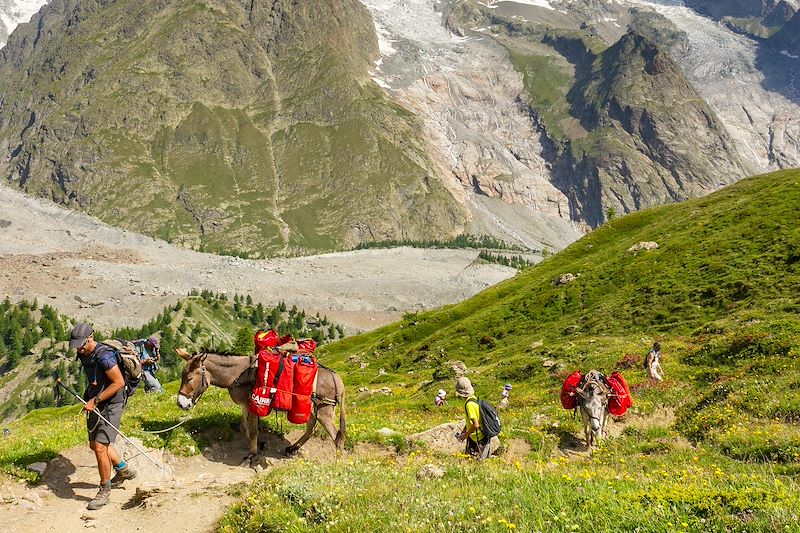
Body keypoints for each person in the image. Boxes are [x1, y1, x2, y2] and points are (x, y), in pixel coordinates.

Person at [70, 323, 137, 510]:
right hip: (96, 401)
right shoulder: (84, 354)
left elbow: (118, 382)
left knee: (100, 447)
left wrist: (95, 400)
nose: (78, 348)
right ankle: (123, 470)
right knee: (95, 445)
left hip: (112, 403)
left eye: (81, 344)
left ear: (91, 337)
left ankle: (104, 490)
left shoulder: (105, 356)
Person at [455, 377, 490, 459]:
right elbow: (473, 420)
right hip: (475, 436)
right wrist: (464, 431)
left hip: (478, 438)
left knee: (477, 462)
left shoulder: (469, 404)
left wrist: (465, 435)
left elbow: (476, 424)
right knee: (470, 460)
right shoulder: (473, 398)